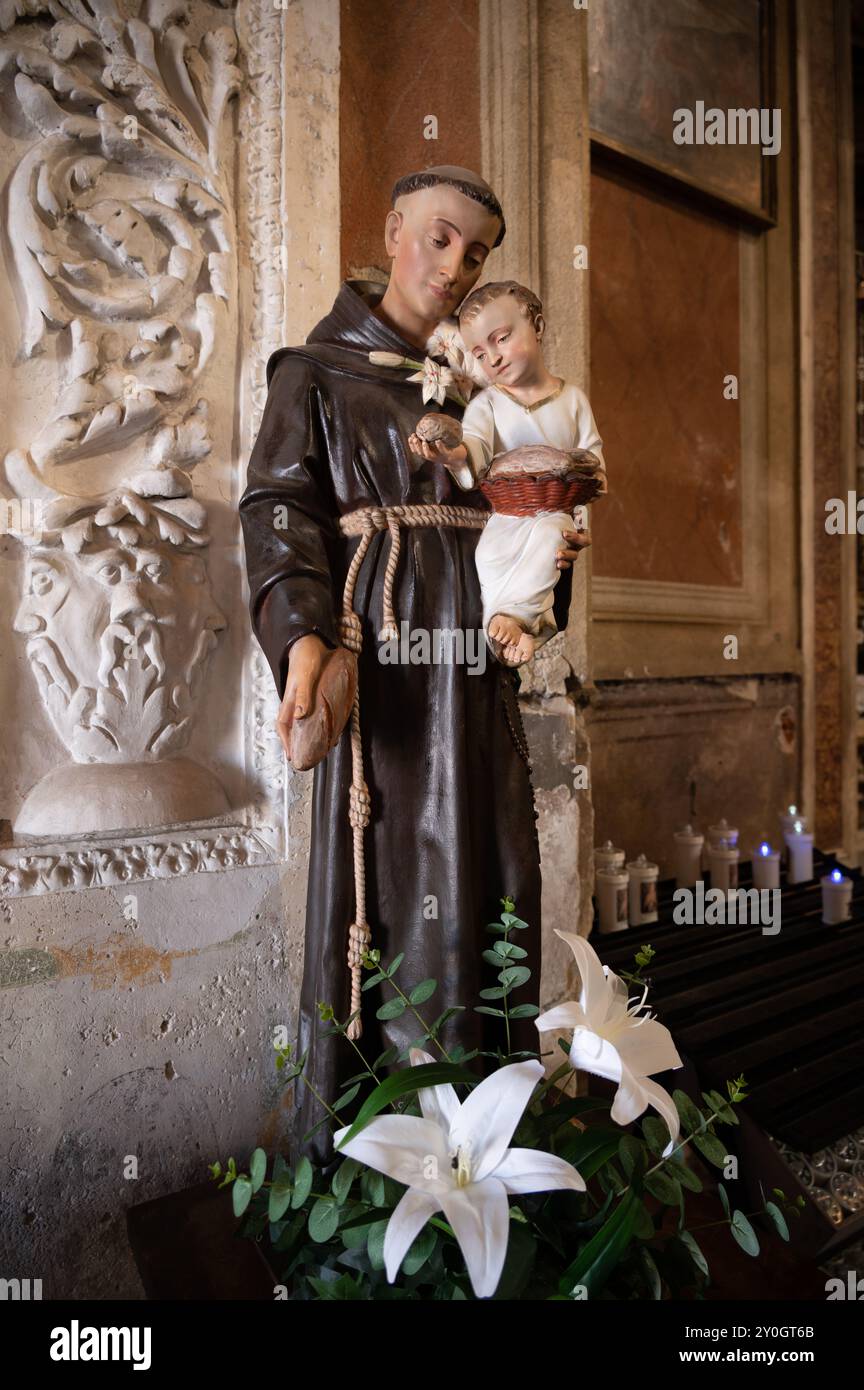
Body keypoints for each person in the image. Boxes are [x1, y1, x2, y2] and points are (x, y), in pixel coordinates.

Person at [239, 167, 588, 1167]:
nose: (455, 265)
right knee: (384, 888)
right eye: (439, 238)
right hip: (381, 670)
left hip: (474, 679)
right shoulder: (315, 373)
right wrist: (304, 638)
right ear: (392, 232)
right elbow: (277, 514)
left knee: (490, 867)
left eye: (476, 253)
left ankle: (488, 1143)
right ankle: (372, 1158)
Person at [409, 280, 606, 666]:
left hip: (554, 512)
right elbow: (476, 449)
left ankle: (515, 621)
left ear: (538, 326)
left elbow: (594, 465)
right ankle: (510, 628)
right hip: (508, 513)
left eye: (501, 338)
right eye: (480, 354)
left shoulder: (573, 400)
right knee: (489, 556)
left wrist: (579, 530)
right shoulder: (488, 404)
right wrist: (451, 456)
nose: (493, 359)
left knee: (550, 543)